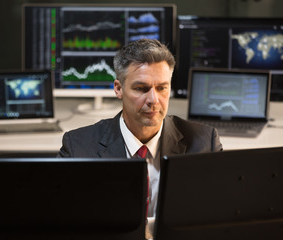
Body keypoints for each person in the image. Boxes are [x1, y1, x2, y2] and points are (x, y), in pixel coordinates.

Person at [57, 38, 223, 238]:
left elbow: (215, 222)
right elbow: (65, 225)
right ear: (118, 89)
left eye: (162, 88)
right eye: (141, 89)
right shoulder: (78, 148)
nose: (153, 100)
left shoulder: (205, 143)